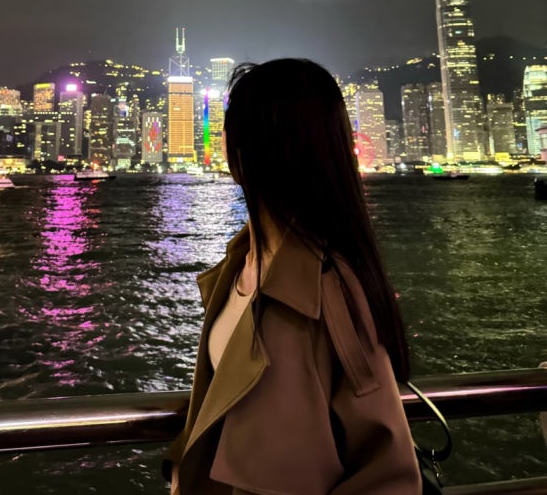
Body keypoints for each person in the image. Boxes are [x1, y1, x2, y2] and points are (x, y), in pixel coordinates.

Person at [164, 59, 421, 495]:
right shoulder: (239, 266)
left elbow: (388, 471)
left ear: (250, 148)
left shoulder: (328, 288)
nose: (221, 139)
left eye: (229, 127)